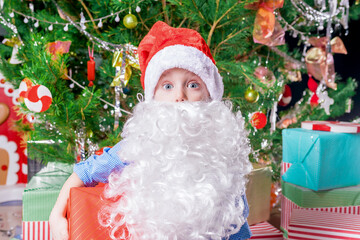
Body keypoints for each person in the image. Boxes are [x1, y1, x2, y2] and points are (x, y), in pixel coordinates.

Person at [50, 21, 252, 240]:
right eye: (167, 86)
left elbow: (236, 218)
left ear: (209, 95)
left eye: (192, 85)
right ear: (153, 96)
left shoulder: (220, 150)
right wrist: (56, 214)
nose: (179, 96)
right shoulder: (139, 145)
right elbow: (86, 172)